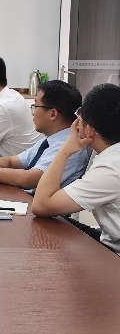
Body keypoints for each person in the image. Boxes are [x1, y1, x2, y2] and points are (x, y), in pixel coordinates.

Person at [32, 83, 120, 253]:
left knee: (47, 228)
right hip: (110, 236)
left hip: (115, 253)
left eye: (79, 117)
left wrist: (65, 150)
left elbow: (41, 205)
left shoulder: (110, 170)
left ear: (90, 130)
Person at [0, 80, 89, 192]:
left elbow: (28, 179)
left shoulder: (70, 146)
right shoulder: (49, 140)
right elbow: (11, 161)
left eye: (35, 106)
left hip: (41, 210)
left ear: (53, 114)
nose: (32, 113)